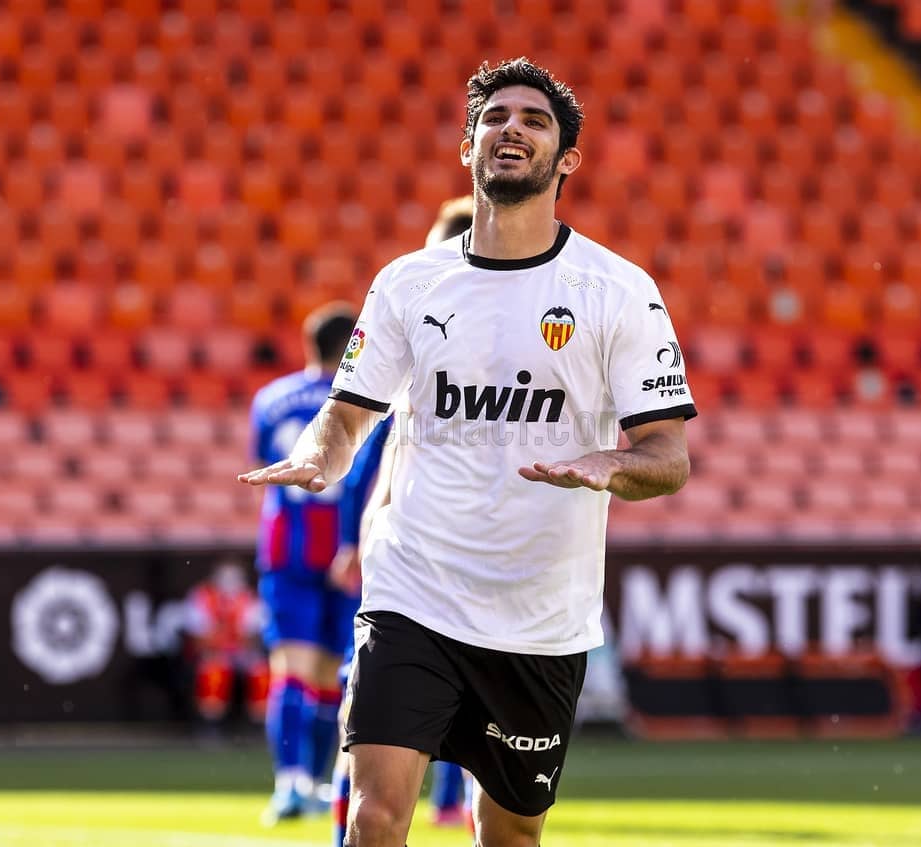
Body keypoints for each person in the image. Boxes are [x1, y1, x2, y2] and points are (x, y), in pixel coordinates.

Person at [241, 57, 695, 847]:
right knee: (373, 816)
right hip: (413, 591)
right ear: (467, 147)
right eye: (496, 118)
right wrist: (324, 452)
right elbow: (345, 417)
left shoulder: (618, 291)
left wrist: (613, 465)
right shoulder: (407, 283)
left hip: (540, 614)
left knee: (508, 832)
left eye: (534, 120)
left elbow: (669, 455)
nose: (512, 129)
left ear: (567, 159)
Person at [328, 196, 477, 847]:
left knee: (372, 716)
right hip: (436, 564)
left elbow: (378, 452)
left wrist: (362, 532)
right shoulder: (424, 340)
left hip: (432, 562)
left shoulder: (431, 335)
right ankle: (443, 807)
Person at [248, 305, 388, 825]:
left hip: (287, 549)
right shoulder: (367, 400)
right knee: (335, 674)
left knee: (291, 668)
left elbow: (265, 467)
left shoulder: (270, 399)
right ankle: (321, 782)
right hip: (347, 553)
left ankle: (290, 782)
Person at [182, 558, 266, 728]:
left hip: (242, 653)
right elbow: (198, 639)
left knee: (261, 670)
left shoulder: (249, 598)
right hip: (212, 653)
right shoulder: (202, 596)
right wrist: (221, 637)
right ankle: (211, 721)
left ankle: (260, 721)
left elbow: (253, 638)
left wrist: (233, 635)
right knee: (215, 668)